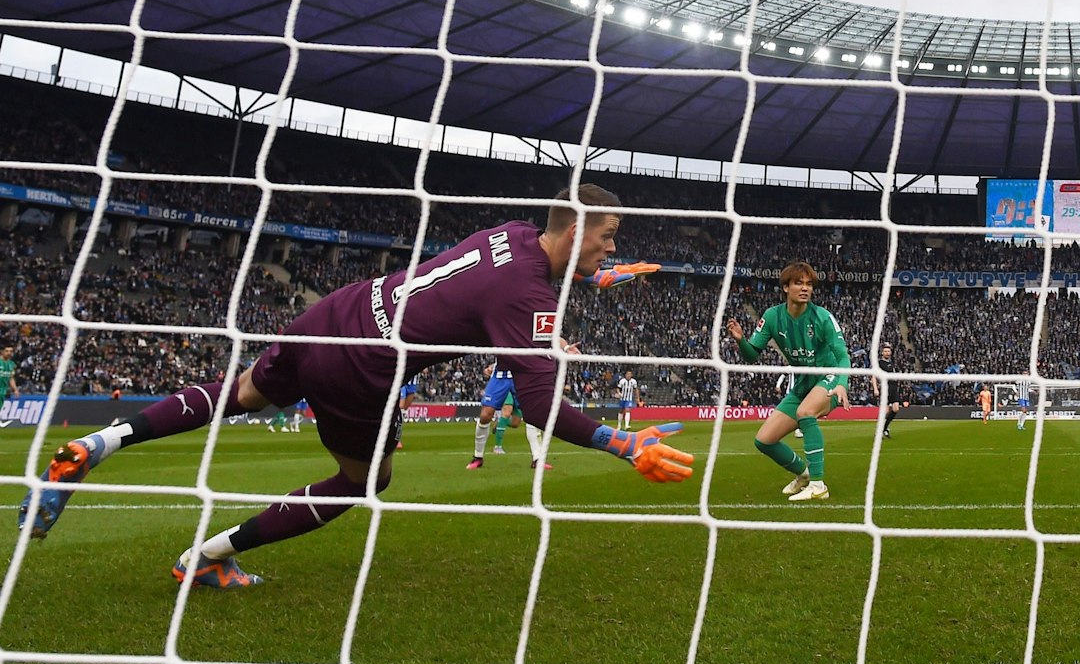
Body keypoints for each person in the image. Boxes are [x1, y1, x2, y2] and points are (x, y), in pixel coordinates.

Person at [18, 184, 694, 588]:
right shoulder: (525, 294)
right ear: (575, 229)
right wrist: (619, 442)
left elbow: (506, 278)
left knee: (244, 391)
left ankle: (105, 441)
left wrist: (593, 275)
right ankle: (207, 557)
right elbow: (542, 401)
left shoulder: (511, 235)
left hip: (336, 314)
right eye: (606, 238)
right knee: (363, 481)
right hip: (365, 370)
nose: (610, 246)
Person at [727, 262, 849, 502]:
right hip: (804, 383)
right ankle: (803, 475)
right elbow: (752, 355)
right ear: (785, 287)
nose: (805, 288)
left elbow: (843, 355)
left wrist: (842, 383)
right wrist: (741, 341)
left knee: (806, 412)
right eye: (798, 283)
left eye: (809, 284)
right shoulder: (772, 316)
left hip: (830, 377)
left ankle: (818, 484)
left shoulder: (822, 317)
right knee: (764, 440)